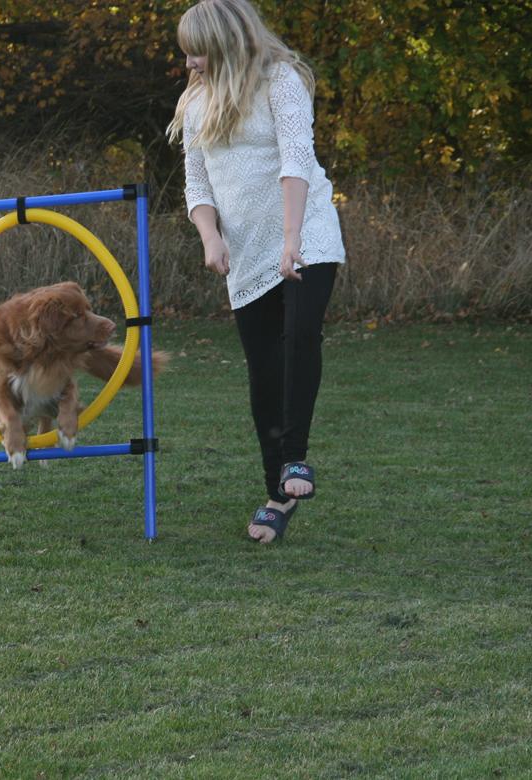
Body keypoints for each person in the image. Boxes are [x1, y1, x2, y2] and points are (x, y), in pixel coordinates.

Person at [167, 0, 346, 543]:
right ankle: (277, 493)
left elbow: (296, 160)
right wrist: (210, 237)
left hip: (305, 230)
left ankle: (295, 463)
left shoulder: (280, 80)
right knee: (263, 371)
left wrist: (292, 241)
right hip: (244, 251)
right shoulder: (196, 100)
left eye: (196, 51)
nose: (190, 62)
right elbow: (196, 183)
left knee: (299, 335)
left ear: (223, 41)